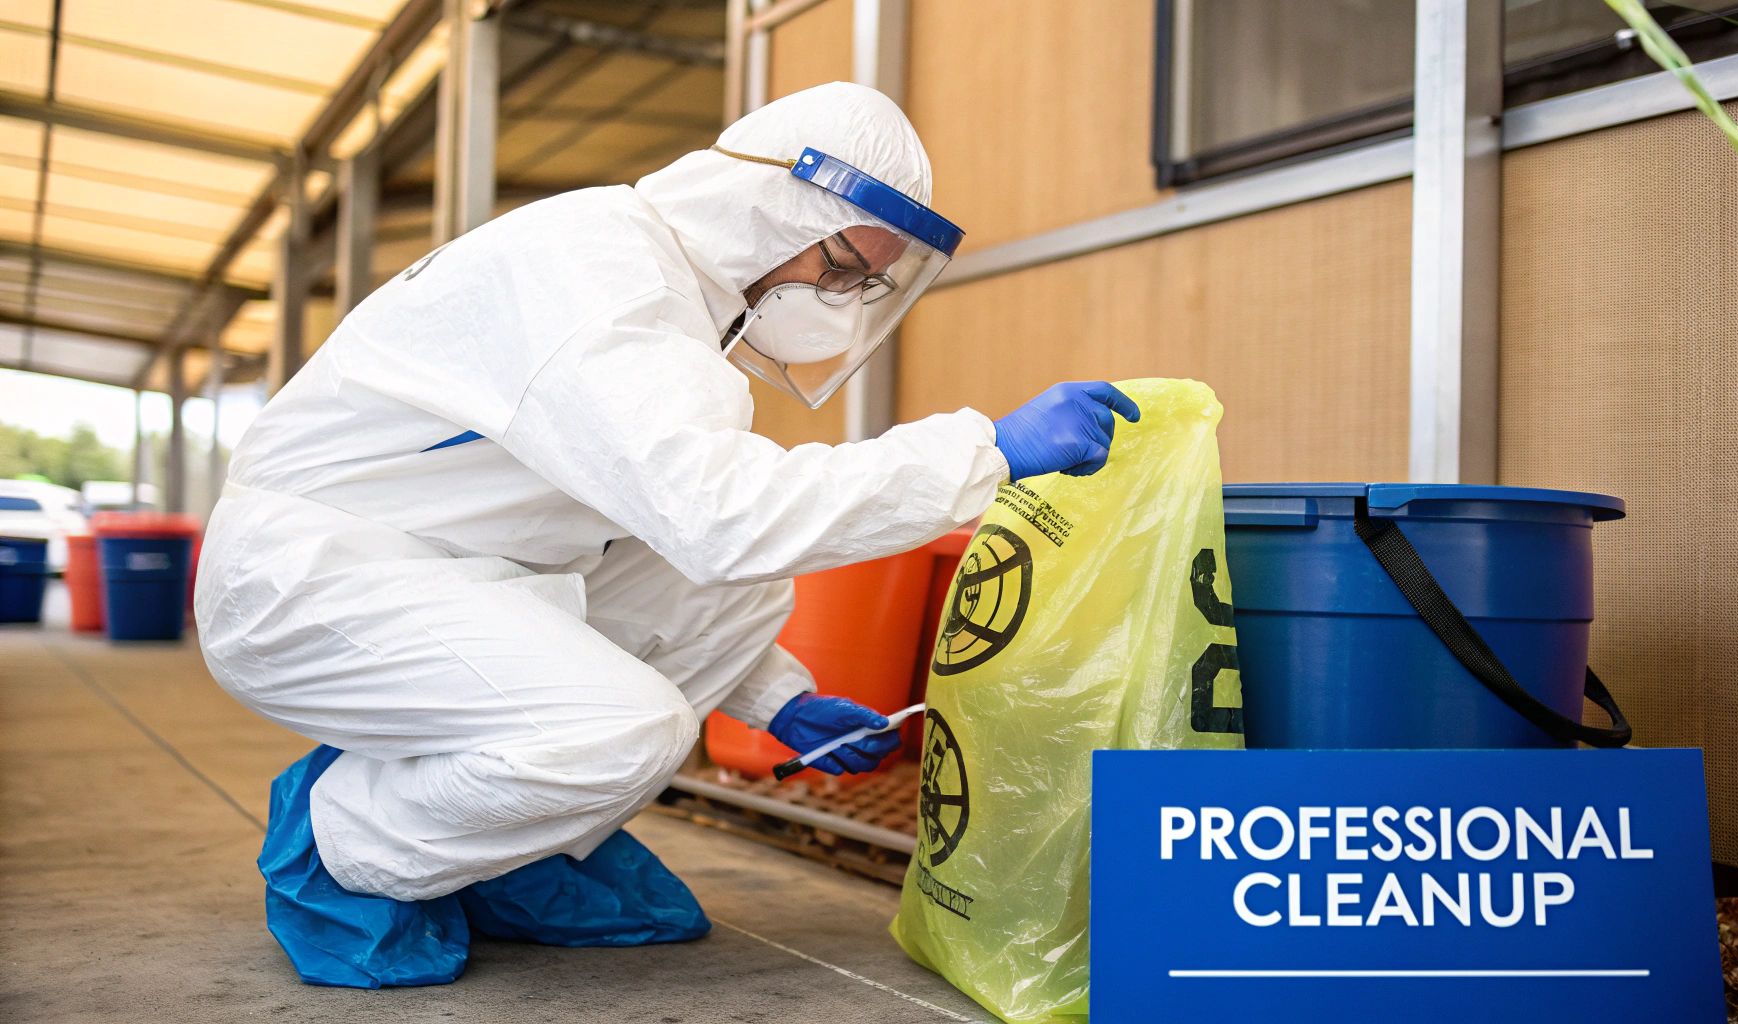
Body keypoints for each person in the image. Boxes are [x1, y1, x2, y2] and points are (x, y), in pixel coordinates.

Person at [196, 82, 1139, 988]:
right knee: (629, 731)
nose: (846, 299)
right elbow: (725, 517)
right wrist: (986, 451)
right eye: (840, 266)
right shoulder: (605, 285)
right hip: (313, 576)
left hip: (448, 562)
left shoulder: (665, 294)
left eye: (866, 281)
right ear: (771, 209)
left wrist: (778, 701)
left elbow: (695, 547)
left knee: (745, 591)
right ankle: (343, 840)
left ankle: (502, 837)